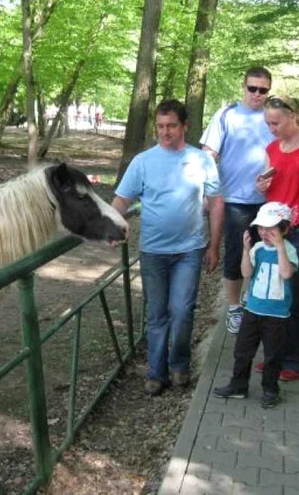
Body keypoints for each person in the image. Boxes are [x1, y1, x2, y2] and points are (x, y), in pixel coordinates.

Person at [113, 99, 223, 396]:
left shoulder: (201, 160)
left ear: (185, 126)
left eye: (171, 125)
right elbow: (122, 200)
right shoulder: (143, 161)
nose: (165, 132)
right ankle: (156, 371)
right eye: (160, 126)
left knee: (183, 310)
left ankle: (179, 363)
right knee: (157, 313)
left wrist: (214, 245)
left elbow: (215, 203)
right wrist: (112, 225)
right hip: (152, 251)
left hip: (189, 249)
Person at [254, 95, 299, 381]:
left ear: (293, 117)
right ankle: (275, 356)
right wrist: (261, 185)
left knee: (294, 295)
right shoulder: (271, 148)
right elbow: (266, 187)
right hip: (272, 229)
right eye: (268, 123)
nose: (271, 128)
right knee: (273, 294)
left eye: (276, 122)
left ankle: (297, 359)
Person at [200, 66, 275, 335]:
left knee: (264, 257)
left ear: (269, 91)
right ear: (243, 87)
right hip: (233, 200)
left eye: (262, 89)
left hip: (268, 202)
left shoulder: (273, 117)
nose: (257, 94)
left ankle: (255, 304)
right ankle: (233, 308)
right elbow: (208, 154)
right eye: (252, 88)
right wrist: (206, 193)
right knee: (235, 255)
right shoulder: (226, 115)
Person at [213, 202, 298, 408]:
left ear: (285, 229)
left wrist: (279, 248)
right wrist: (246, 250)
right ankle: (238, 385)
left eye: (271, 229)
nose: (264, 233)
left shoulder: (289, 250)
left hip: (276, 314)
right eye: (261, 228)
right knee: (242, 350)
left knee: (272, 355)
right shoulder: (258, 248)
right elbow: (246, 273)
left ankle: (270, 389)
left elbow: (287, 273)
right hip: (252, 309)